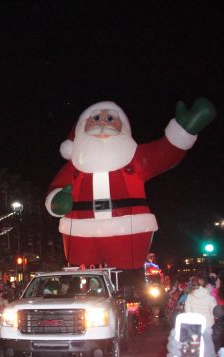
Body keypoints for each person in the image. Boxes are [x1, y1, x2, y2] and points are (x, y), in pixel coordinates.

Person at [46, 99, 216, 269]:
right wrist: (57, 202)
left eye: (111, 118)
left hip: (128, 229)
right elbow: (56, 187)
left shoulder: (135, 158)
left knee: (126, 267)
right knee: (81, 269)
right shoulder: (73, 167)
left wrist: (183, 130)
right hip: (79, 230)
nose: (103, 121)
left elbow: (164, 153)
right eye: (96, 117)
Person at [185, 276, 217, 354]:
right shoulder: (210, 297)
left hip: (195, 328)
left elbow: (188, 313)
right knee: (208, 349)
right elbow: (215, 313)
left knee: (196, 351)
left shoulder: (189, 297)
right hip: (208, 327)